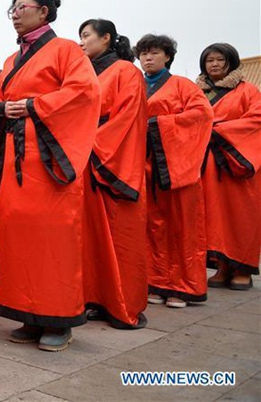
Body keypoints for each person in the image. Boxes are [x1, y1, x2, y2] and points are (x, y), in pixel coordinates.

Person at [0, 0, 100, 352]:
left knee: (54, 240)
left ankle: (59, 319)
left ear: (45, 12)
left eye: (23, 7)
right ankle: (29, 314)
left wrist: (35, 105)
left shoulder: (66, 50)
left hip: (50, 160)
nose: (16, 14)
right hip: (15, 162)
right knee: (20, 238)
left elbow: (84, 93)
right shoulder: (9, 60)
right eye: (12, 9)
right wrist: (3, 110)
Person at [78, 19, 148, 329]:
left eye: (86, 35)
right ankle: (93, 297)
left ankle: (122, 302)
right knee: (88, 237)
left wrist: (92, 144)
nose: (80, 42)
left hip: (110, 158)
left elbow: (129, 117)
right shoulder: (82, 73)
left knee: (120, 236)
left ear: (106, 38)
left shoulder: (126, 71)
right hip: (82, 158)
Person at [138, 34, 213, 308]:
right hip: (144, 166)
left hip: (177, 165)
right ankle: (156, 282)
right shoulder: (136, 85)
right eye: (144, 53)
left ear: (167, 56)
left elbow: (201, 117)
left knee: (183, 227)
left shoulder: (184, 86)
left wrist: (157, 125)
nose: (148, 58)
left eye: (155, 52)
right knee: (152, 226)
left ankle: (182, 286)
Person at [197, 43, 261, 290]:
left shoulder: (248, 91)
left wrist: (220, 131)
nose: (213, 64)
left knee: (241, 215)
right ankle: (222, 266)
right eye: (209, 60)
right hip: (206, 163)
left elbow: (257, 120)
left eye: (219, 60)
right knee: (213, 215)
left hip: (237, 161)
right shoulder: (196, 91)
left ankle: (243, 267)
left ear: (231, 62)